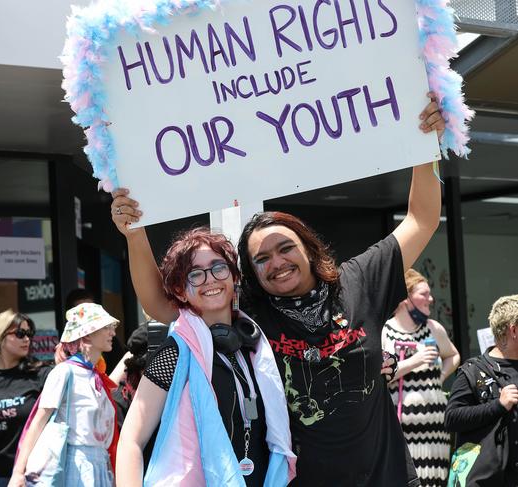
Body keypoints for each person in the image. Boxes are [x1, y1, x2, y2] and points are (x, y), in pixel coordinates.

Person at [111, 95, 444, 485]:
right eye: (261, 259)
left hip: (389, 477)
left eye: (285, 248)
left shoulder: (358, 280)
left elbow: (422, 220)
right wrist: (135, 236)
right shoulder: (251, 312)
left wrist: (426, 149)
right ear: (250, 274)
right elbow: (161, 303)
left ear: (308, 248)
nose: (277, 262)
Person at [115, 227, 296, 486]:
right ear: (179, 291)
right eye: (195, 274)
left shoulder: (254, 345)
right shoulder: (176, 353)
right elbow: (131, 440)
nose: (210, 279)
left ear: (234, 278)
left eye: (219, 268)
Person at [10, 302, 120, 487]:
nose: (113, 333)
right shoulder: (64, 372)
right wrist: (18, 473)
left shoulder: (95, 376)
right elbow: (38, 422)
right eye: (106, 327)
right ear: (88, 334)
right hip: (75, 467)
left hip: (99, 467)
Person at [382, 268, 460, 487]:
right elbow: (381, 377)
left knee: (436, 481)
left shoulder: (433, 329)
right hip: (403, 429)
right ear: (406, 298)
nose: (431, 299)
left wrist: (440, 379)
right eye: (424, 294)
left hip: (435, 428)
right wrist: (416, 361)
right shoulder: (387, 332)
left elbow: (453, 355)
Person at [445, 294, 518, 486]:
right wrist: (498, 406)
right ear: (514, 330)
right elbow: (452, 418)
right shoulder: (474, 370)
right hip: (488, 480)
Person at [0, 309, 52, 486]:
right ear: (0, 337)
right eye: (20, 334)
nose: (26, 339)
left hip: (33, 476)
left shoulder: (41, 374)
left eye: (29, 333)